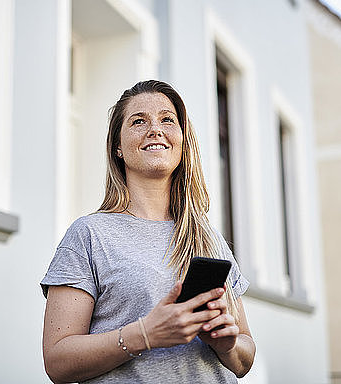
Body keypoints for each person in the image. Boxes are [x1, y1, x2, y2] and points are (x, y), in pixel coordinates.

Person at [41, 80, 255, 383]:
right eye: (138, 121)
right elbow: (57, 361)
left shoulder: (208, 237)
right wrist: (145, 334)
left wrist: (227, 344)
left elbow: (244, 360)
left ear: (182, 140)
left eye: (167, 119)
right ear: (118, 147)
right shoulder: (89, 234)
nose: (155, 129)